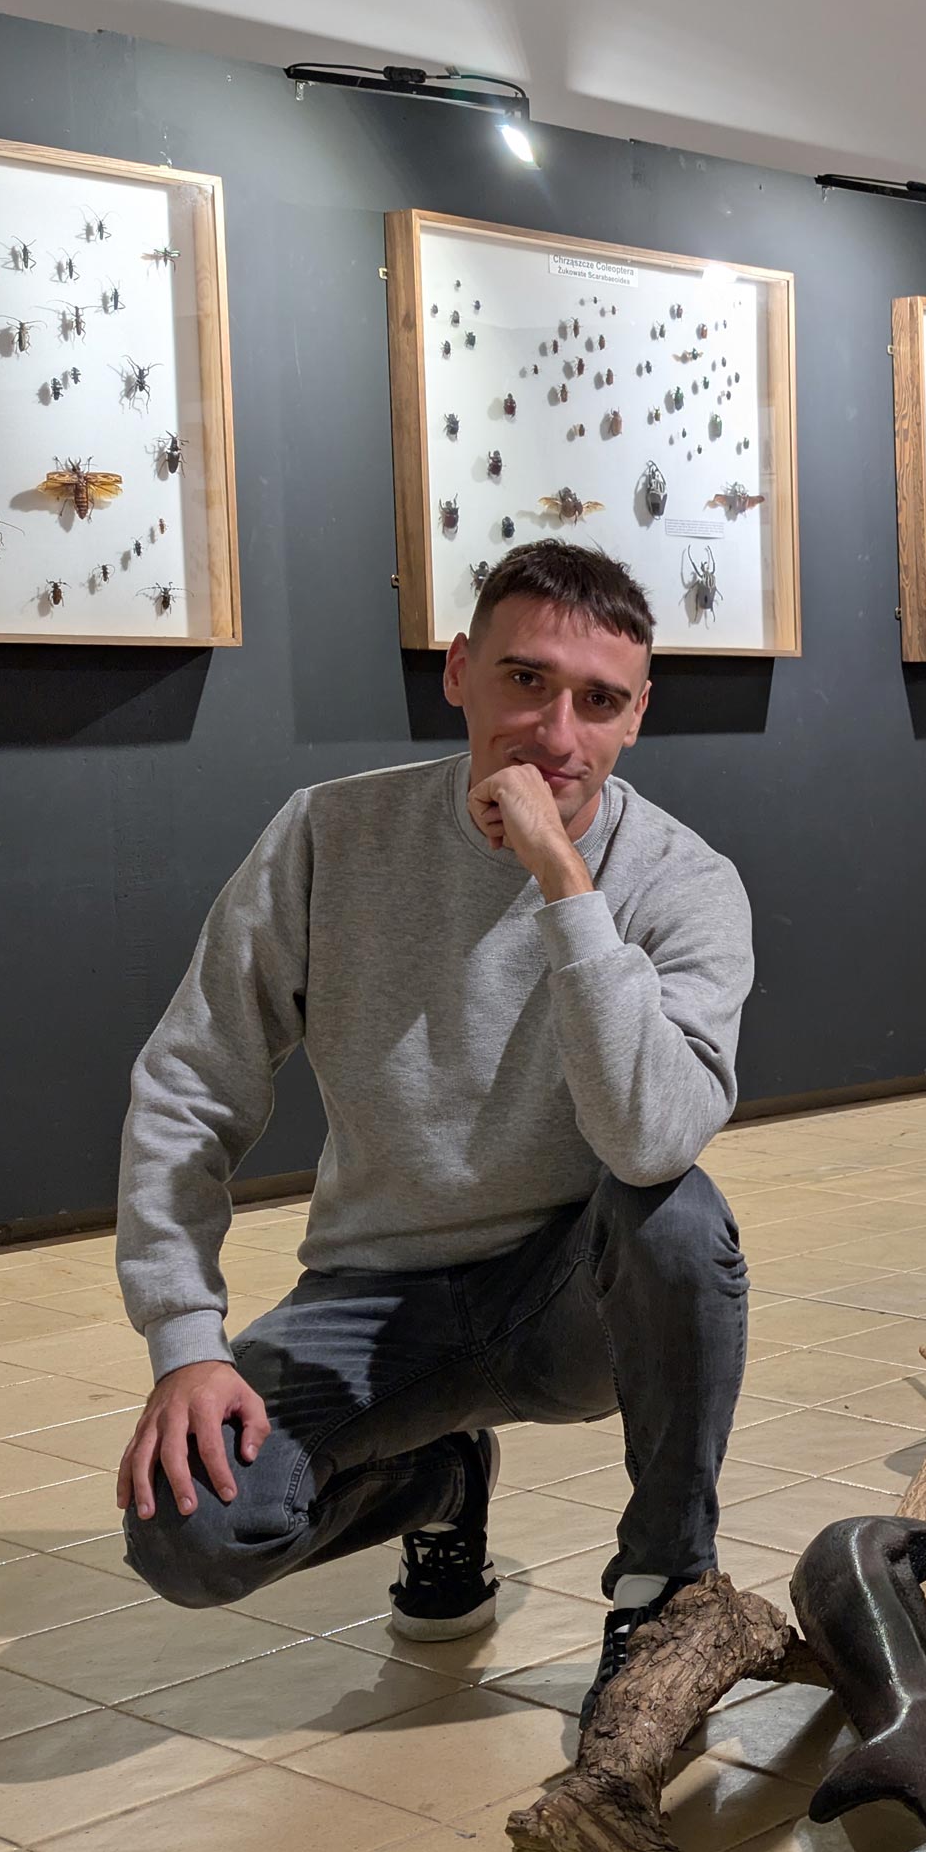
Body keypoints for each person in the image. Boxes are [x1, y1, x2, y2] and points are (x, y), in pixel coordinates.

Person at [113, 537, 752, 1730]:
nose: (555, 733)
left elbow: (650, 1137)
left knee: (679, 1214)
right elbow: (192, 1079)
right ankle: (438, 1480)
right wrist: (186, 1342)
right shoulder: (329, 833)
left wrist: (564, 882)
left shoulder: (685, 880)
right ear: (458, 671)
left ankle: (664, 1583)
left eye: (598, 701)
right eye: (525, 680)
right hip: (375, 1296)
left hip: (570, 1300)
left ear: (636, 716)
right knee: (189, 1532)